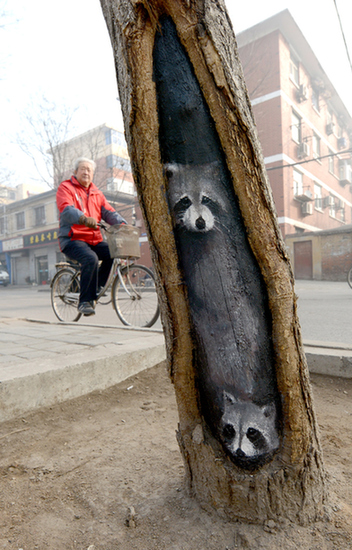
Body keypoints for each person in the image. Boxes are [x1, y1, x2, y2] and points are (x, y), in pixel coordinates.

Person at [56, 157, 126, 316]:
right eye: (83, 168)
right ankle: (85, 302)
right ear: (75, 172)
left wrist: (123, 224)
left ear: (93, 174)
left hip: (93, 239)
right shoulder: (66, 188)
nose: (86, 172)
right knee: (91, 258)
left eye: (89, 170)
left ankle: (97, 287)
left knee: (113, 252)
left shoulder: (97, 193)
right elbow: (66, 209)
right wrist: (83, 218)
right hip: (72, 239)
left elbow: (109, 212)